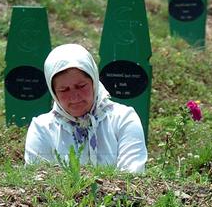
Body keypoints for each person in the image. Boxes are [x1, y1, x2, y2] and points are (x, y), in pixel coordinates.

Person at [24, 44, 147, 173]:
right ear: (54, 92)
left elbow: (132, 176)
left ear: (94, 81)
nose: (74, 96)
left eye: (81, 86)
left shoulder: (124, 119)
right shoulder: (42, 129)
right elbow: (38, 181)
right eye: (64, 90)